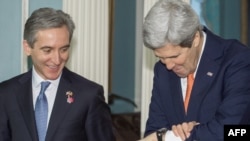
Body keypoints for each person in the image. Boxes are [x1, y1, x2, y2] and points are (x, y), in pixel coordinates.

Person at [139, 0, 250, 141]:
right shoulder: (162, 71)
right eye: (161, 57)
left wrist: (173, 137)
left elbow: (233, 131)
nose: (168, 65)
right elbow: (153, 133)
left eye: (175, 56)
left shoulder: (238, 60)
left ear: (195, 39)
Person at [0, 7, 115, 141]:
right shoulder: (6, 94)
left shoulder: (89, 95)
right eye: (47, 50)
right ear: (27, 48)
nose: (57, 59)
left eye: (63, 49)